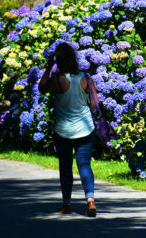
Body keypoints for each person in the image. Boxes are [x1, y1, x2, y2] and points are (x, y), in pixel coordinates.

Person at [38, 42, 99, 217]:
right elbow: (95, 104)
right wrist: (86, 112)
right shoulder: (86, 78)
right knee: (84, 164)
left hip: (63, 131)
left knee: (65, 167)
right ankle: (90, 200)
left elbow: (41, 88)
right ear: (73, 59)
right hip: (85, 129)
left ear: (58, 61)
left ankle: (67, 204)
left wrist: (48, 67)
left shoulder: (56, 80)